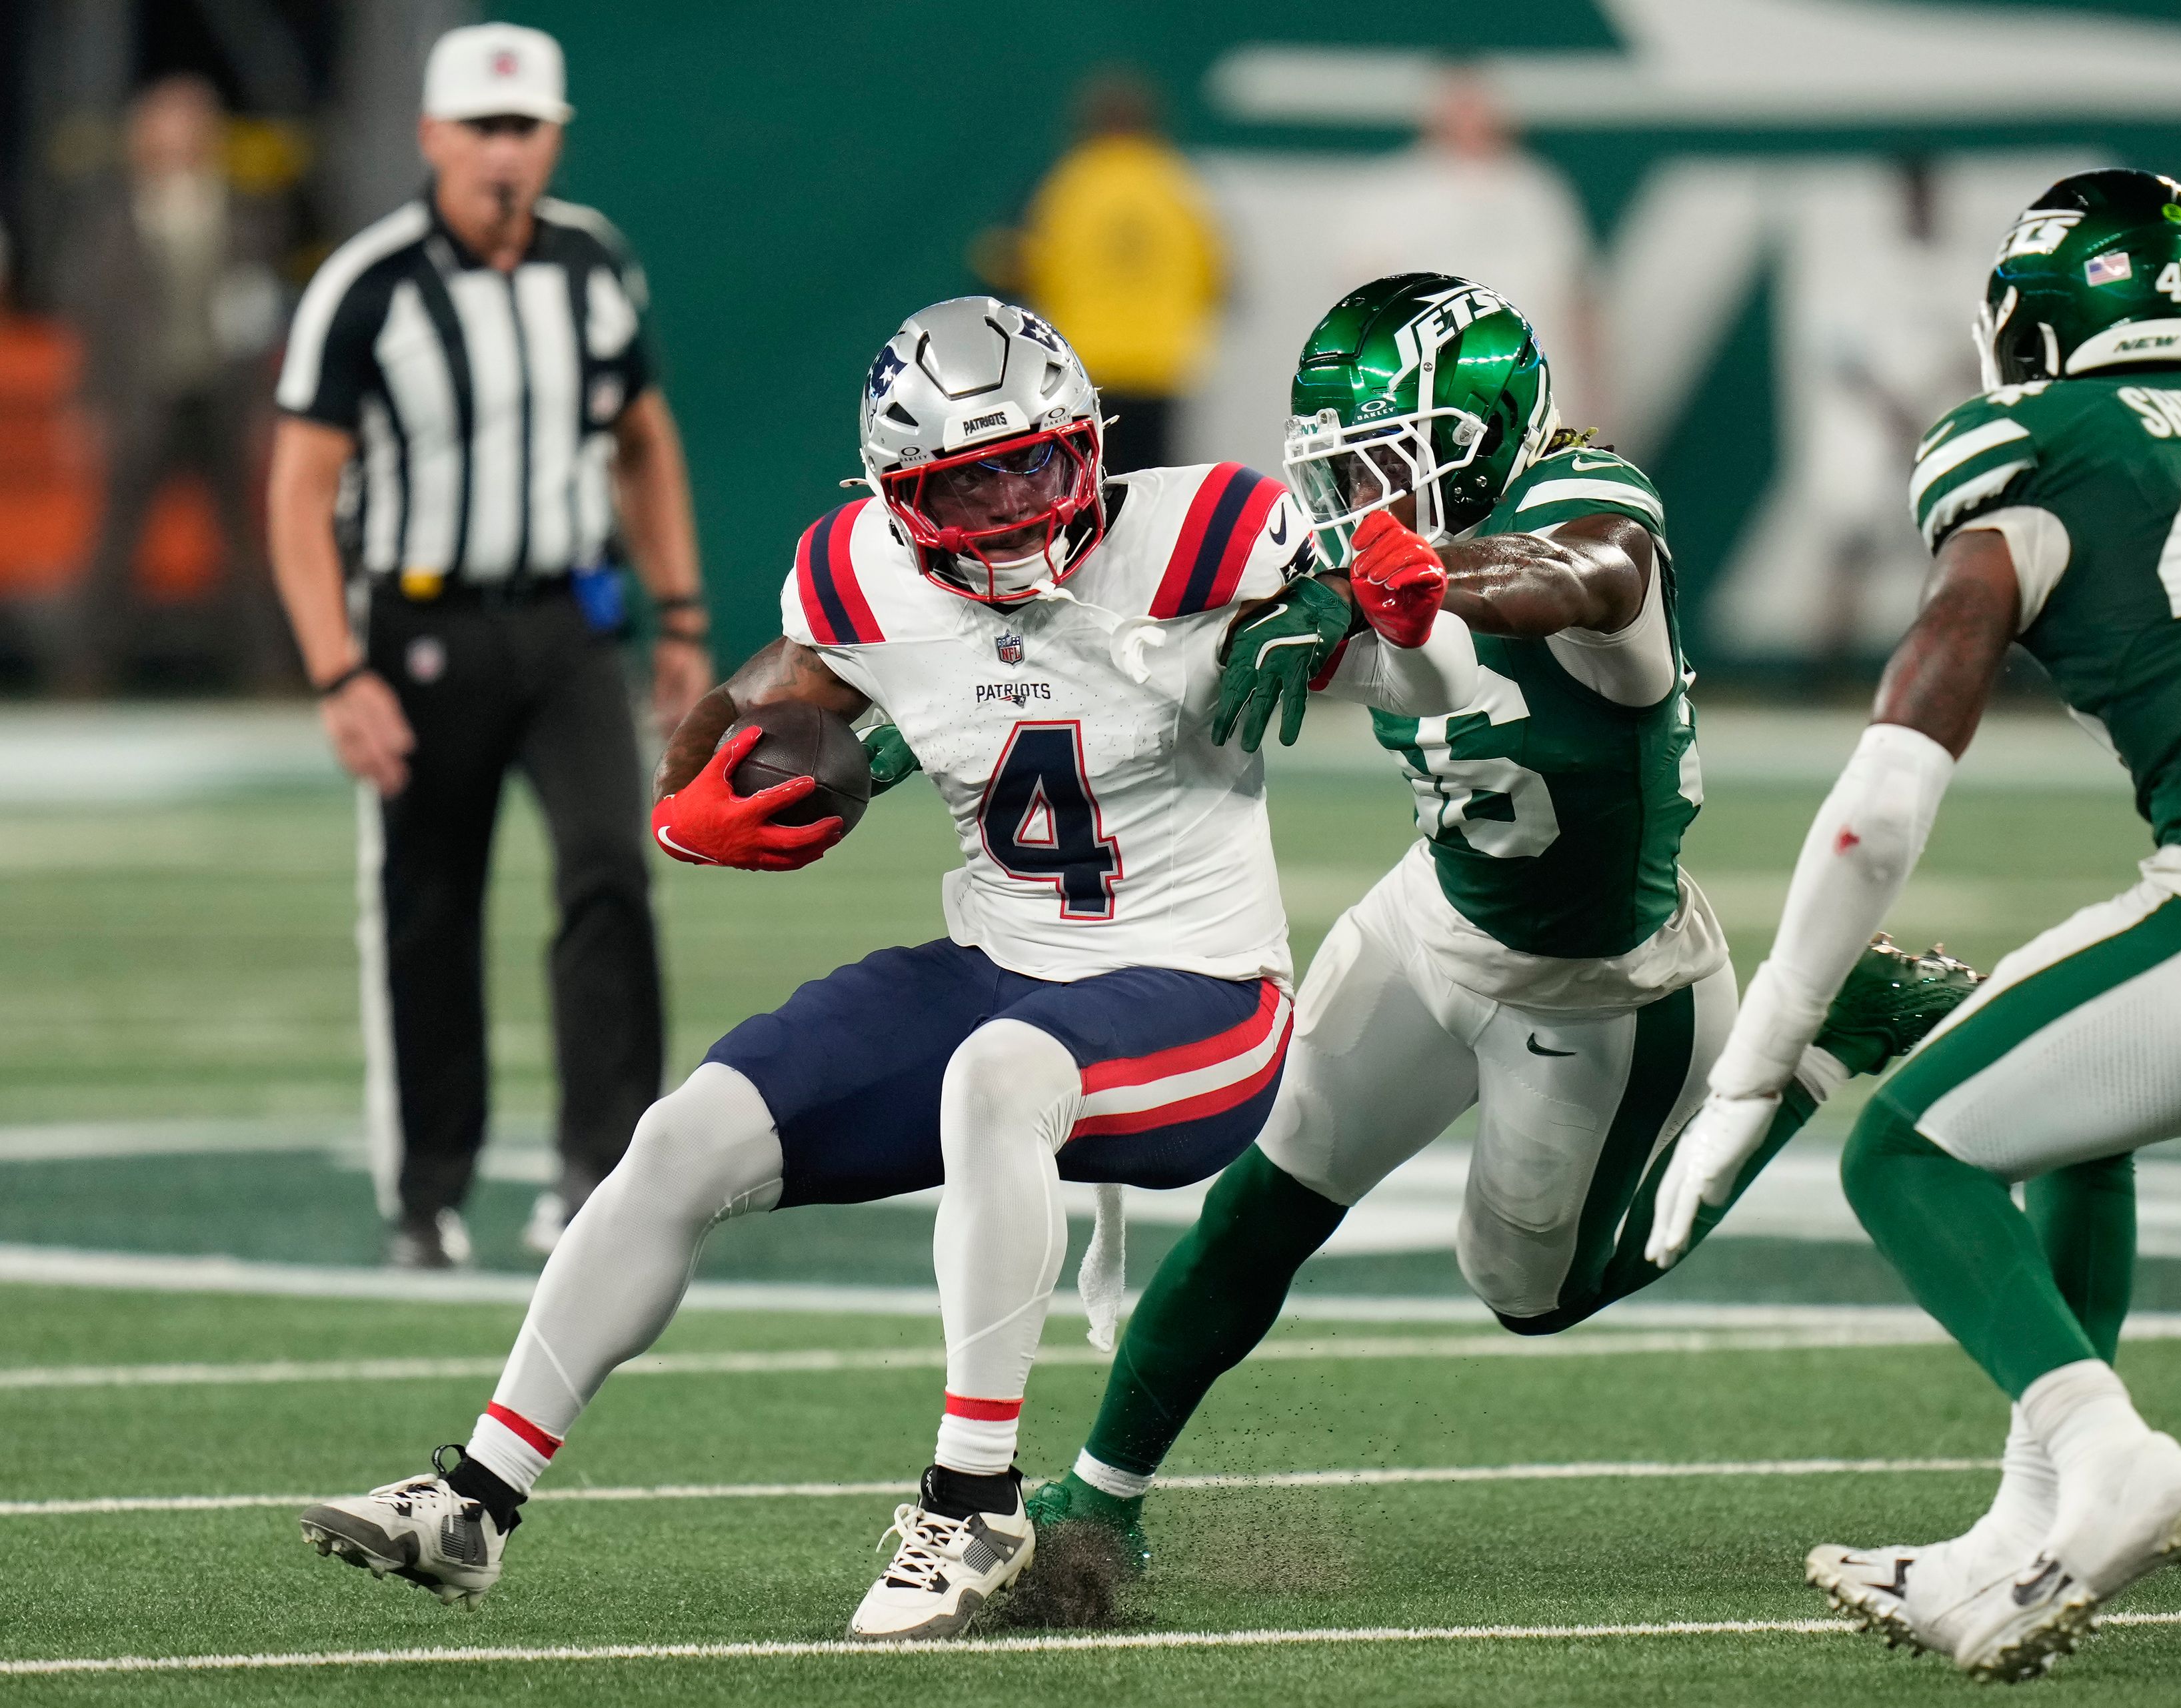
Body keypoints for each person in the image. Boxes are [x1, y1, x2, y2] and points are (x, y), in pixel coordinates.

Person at [292, 296, 1478, 1640]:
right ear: (896, 500)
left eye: (1032, 461)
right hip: (999, 965)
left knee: (998, 1074)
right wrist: (709, 777)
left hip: (1202, 993)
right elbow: (756, 714)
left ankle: (973, 1504)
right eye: (962, 483)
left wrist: (1364, 601)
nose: (1010, 504)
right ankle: (477, 1498)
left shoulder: (1208, 528)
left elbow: (1433, 675)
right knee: (685, 1136)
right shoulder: (861, 574)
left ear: (1088, 442)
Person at [1646, 170, 2181, 1683]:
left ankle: (2106, 1447)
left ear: (2036, 328)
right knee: (2059, 1110)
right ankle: (2015, 1539)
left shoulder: (2030, 450)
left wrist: (1759, 1051)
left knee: (1904, 1146)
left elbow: (1881, 805)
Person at [1021, 273, 1978, 1560]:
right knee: (1266, 1191)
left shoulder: (1589, 505)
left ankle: (1827, 1037)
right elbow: (1168, 631)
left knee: (1531, 1291)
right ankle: (1102, 1502)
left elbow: (1579, 572)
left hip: (1602, 988)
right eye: (1340, 474)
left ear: (1473, 443)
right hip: (1434, 914)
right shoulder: (1370, 546)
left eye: (1382, 467)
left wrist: (1408, 583)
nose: (1351, 505)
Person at [266, 23, 712, 1267]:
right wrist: (335, 669)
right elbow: (299, 489)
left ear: (556, 137)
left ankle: (607, 1173)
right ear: (432, 137)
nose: (502, 153)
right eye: (481, 128)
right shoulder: (368, 283)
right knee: (428, 900)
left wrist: (677, 613)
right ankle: (430, 1187)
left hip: (571, 619)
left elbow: (644, 439)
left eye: (524, 128)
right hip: (422, 625)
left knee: (609, 872)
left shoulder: (592, 263)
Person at [57, 73, 291, 694]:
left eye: (190, 123)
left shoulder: (243, 213)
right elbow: (96, 324)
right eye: (165, 123)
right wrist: (88, 405)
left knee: (243, 544)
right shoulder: (114, 218)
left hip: (220, 395)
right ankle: (86, 672)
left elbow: (258, 317)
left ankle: (268, 671)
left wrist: (265, 404)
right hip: (144, 398)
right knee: (115, 542)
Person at [989, 69, 1224, 475]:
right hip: (1161, 363)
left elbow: (1024, 267)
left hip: (1087, 361)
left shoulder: (1068, 185)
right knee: (1159, 481)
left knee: (1089, 480)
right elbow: (1216, 277)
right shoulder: (1175, 183)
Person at [1344, 71, 1602, 428]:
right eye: (1459, 108)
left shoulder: (1537, 190)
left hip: (1535, 403)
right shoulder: (1391, 192)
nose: (1471, 120)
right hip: (1426, 405)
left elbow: (1577, 304)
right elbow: (1365, 307)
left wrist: (1595, 401)